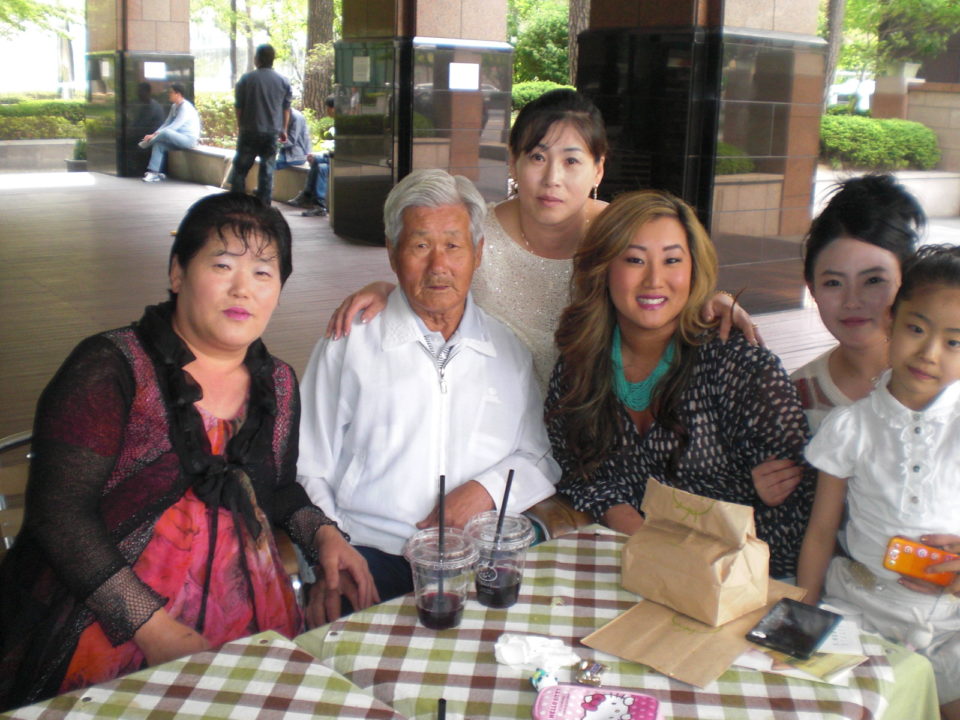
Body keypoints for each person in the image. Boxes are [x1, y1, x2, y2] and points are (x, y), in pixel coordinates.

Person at [0, 192, 376, 712]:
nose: (243, 288)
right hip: (107, 618)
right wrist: (152, 628)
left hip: (247, 616)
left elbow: (278, 489)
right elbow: (59, 515)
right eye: (222, 265)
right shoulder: (111, 368)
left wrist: (323, 535)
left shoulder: (277, 382)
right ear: (177, 273)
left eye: (263, 273)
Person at [325, 89, 758, 393]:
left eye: (572, 161)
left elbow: (663, 279)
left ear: (598, 169)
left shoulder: (621, 234)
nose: (552, 178)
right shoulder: (475, 232)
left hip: (594, 420)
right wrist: (388, 290)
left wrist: (709, 297)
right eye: (537, 157)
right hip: (486, 422)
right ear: (513, 161)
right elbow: (433, 278)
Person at [297, 169, 559, 604]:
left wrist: (486, 490)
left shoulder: (507, 350)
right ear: (392, 251)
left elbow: (538, 456)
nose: (439, 266)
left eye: (453, 246)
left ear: (478, 252)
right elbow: (307, 465)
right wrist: (329, 547)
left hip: (478, 558)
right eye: (420, 246)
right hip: (369, 554)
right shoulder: (351, 342)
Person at [545, 190, 814, 579]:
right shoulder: (579, 363)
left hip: (735, 583)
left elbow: (797, 514)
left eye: (672, 260)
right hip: (629, 564)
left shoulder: (738, 365)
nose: (654, 280)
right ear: (604, 268)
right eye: (635, 260)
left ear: (694, 269)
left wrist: (743, 496)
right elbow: (575, 471)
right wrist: (636, 531)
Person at [798, 244, 960, 720]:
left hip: (948, 620)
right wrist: (804, 611)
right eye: (916, 329)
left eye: (954, 342)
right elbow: (821, 531)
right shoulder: (851, 426)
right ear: (891, 320)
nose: (929, 353)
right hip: (862, 608)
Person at [791, 174, 925, 431]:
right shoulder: (794, 399)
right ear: (812, 288)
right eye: (833, 283)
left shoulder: (945, 385)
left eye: (873, 280)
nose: (852, 302)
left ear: (907, 281)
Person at [228, 44, 292, 206]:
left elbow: (239, 107)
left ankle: (237, 204)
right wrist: (284, 129)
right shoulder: (283, 81)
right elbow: (286, 108)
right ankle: (264, 206)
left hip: (249, 130)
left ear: (257, 59)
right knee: (267, 171)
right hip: (271, 133)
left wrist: (240, 126)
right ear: (273, 59)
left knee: (240, 169)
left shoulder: (246, 79)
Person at [139, 83, 201, 183]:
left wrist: (152, 136)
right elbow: (166, 123)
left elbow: (175, 126)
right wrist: (154, 134)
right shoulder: (174, 106)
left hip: (188, 140)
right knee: (159, 144)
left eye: (171, 92)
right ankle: (154, 173)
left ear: (178, 94)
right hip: (177, 139)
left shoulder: (185, 107)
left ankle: (145, 144)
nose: (169, 94)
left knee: (167, 132)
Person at [288, 95, 336, 218]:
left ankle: (311, 197)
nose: (327, 111)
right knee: (320, 166)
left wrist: (319, 157)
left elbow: (341, 153)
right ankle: (315, 202)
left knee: (319, 164)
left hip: (344, 162)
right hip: (335, 160)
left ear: (333, 109)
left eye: (328, 108)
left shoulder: (344, 126)